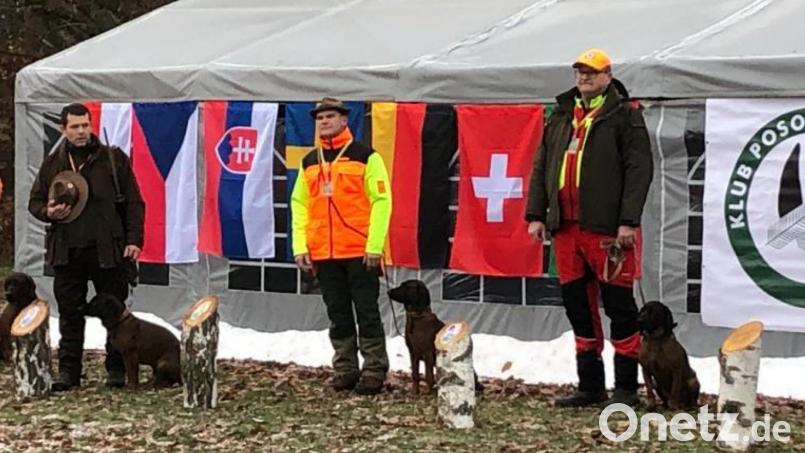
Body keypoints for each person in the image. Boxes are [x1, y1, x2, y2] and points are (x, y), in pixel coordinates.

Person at [525, 49, 653, 407]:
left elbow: (639, 171)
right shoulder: (562, 115)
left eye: (592, 72)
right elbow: (542, 165)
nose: (584, 78)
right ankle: (590, 386)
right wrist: (537, 213)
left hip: (608, 231)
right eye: (580, 72)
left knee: (619, 308)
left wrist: (628, 221)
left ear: (608, 75)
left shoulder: (624, 116)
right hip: (566, 228)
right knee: (577, 307)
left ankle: (627, 389)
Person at [29, 103, 144, 391]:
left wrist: (133, 240)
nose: (81, 131)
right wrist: (48, 212)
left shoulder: (113, 159)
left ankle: (116, 371)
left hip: (108, 249)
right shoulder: (53, 164)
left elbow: (134, 202)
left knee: (115, 313)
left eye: (85, 125)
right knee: (69, 313)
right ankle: (69, 373)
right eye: (74, 126)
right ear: (63, 129)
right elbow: (35, 203)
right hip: (67, 250)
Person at [291, 97, 392, 395]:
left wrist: (375, 245)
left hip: (360, 253)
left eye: (330, 116)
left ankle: (374, 369)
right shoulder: (309, 161)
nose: (324, 121)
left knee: (367, 311)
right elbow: (300, 204)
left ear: (345, 120)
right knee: (337, 313)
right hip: (324, 252)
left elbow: (382, 202)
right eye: (320, 118)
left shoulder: (366, 156)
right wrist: (300, 246)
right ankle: (345, 368)